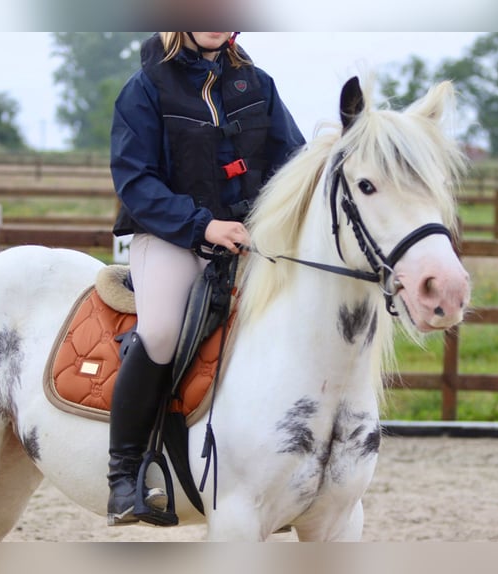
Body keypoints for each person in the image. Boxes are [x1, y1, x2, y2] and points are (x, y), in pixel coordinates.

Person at [108, 31, 306, 525]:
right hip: (170, 236)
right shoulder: (145, 87)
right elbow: (135, 180)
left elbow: (293, 162)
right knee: (161, 332)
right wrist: (204, 226)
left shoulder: (258, 84)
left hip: (247, 238)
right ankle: (124, 474)